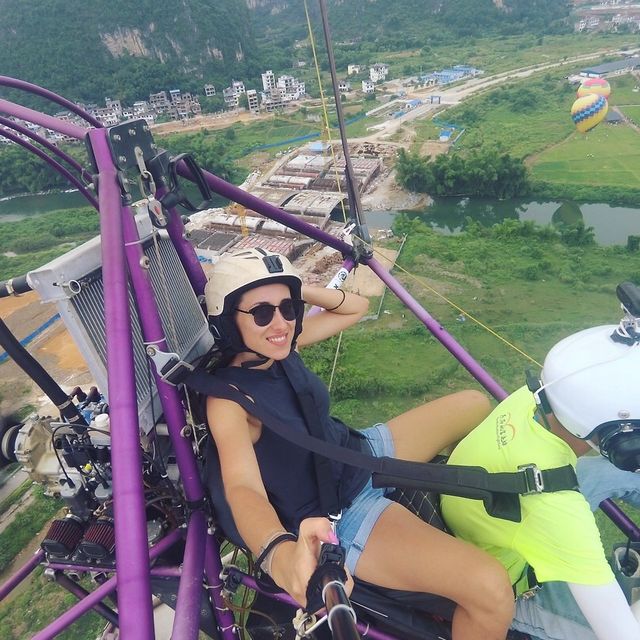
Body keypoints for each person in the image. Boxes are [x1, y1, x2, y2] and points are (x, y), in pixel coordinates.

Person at [202, 248, 515, 640]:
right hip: (342, 509)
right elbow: (242, 488)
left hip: (359, 451)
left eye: (288, 308)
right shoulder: (229, 400)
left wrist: (295, 290)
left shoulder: (280, 347)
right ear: (230, 323)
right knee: (490, 589)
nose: (279, 322)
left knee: (473, 403)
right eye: (262, 313)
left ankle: (458, 509)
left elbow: (355, 307)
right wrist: (279, 554)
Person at [440, 320, 640, 640]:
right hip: (521, 589)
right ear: (624, 446)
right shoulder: (559, 513)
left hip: (503, 507)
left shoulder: (538, 395)